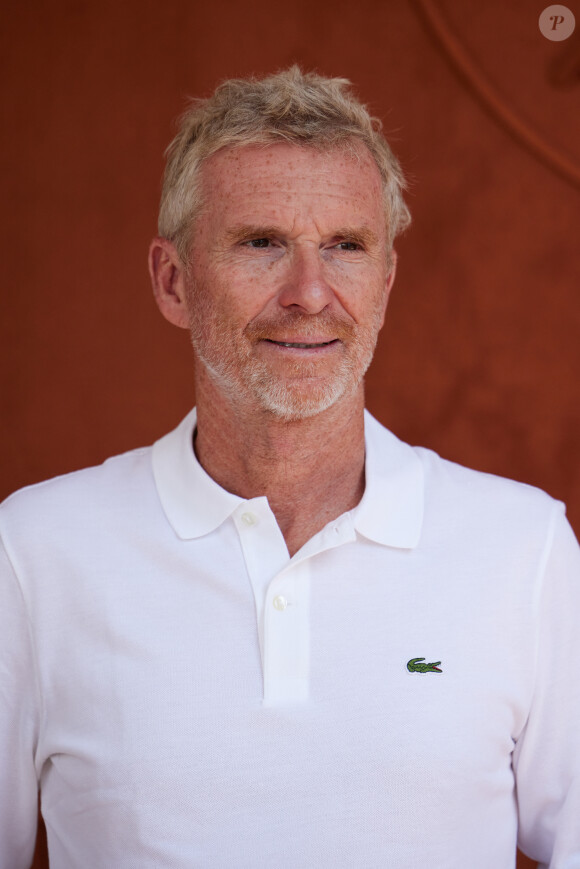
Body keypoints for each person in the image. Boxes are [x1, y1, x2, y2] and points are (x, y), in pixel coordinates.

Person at [1, 67, 579, 869]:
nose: (310, 293)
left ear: (385, 281)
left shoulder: (527, 548)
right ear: (173, 282)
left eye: (346, 246)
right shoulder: (33, 552)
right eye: (261, 243)